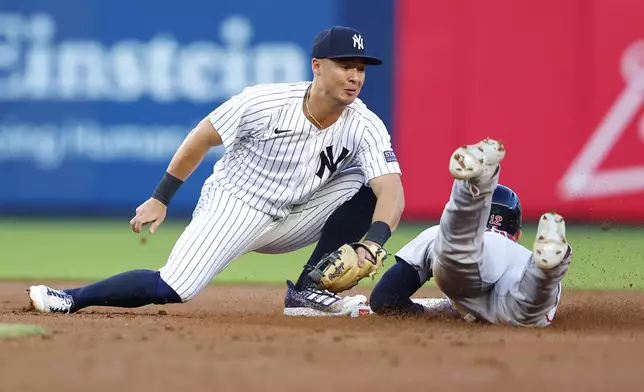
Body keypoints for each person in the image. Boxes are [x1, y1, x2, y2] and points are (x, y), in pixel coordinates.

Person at [26, 26, 405, 317]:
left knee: (369, 179)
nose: (355, 76)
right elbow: (201, 138)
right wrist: (161, 198)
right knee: (174, 287)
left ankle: (306, 291)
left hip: (298, 214)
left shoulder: (364, 124)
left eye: (360, 68)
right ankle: (71, 298)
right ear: (317, 67)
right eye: (345, 66)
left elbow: (392, 192)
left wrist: (372, 243)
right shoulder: (265, 102)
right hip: (237, 203)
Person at [367, 138, 571, 327]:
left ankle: (475, 183)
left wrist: (433, 313)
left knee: (459, 249)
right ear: (516, 235)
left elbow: (384, 299)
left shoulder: (437, 234)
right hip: (520, 277)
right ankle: (548, 270)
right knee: (530, 303)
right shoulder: (517, 254)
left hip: (469, 271)